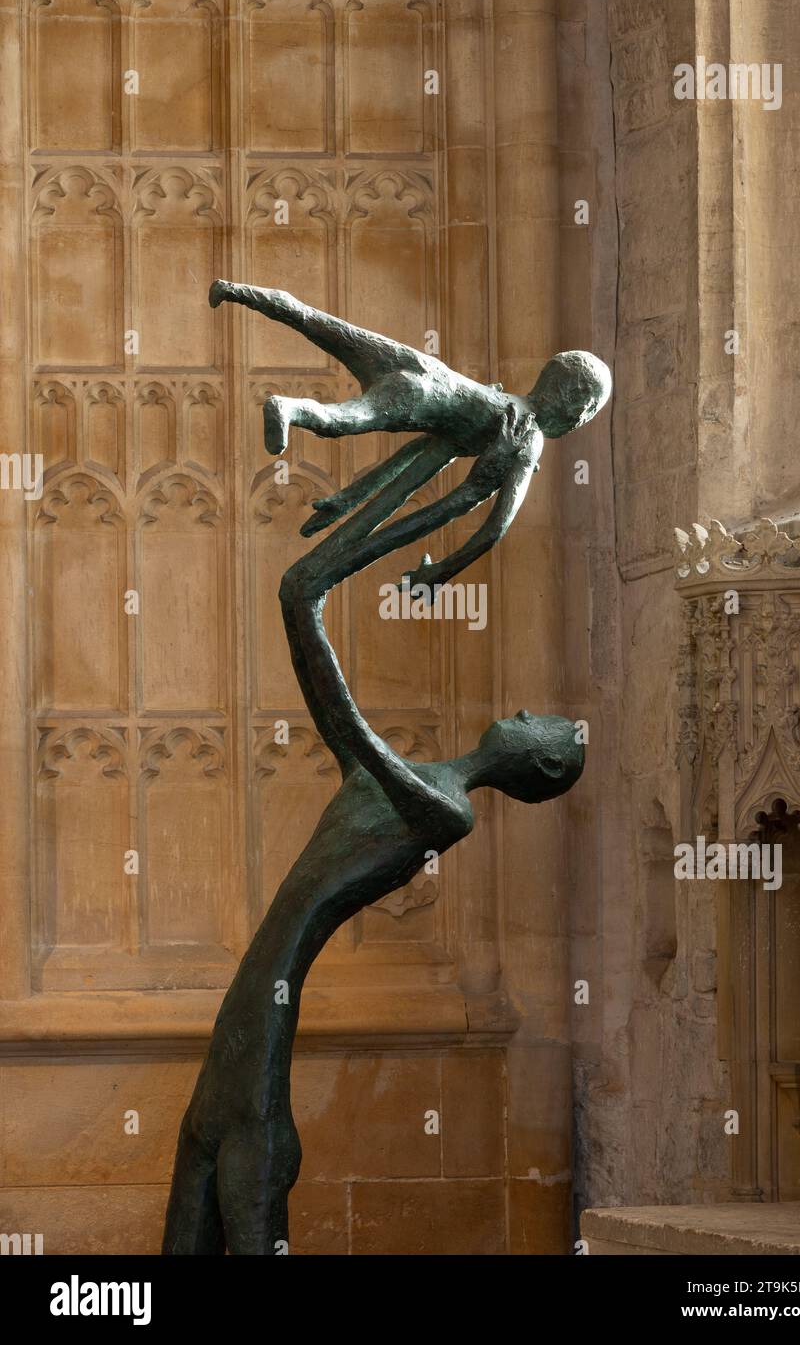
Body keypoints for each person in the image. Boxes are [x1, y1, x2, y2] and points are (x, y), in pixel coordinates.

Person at [162, 449, 586, 1255]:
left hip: (254, 1086)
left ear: (541, 766)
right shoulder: (405, 780)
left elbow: (333, 686)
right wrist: (416, 500)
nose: (527, 709)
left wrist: (416, 512)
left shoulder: (441, 808)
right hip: (234, 1060)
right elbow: (303, 618)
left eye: (544, 724)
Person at [209, 278, 611, 595]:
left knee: (320, 323)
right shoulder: (526, 435)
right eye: (590, 411)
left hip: (426, 368)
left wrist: (348, 497)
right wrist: (439, 572)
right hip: (420, 392)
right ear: (579, 408)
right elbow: (495, 528)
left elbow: (422, 451)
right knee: (342, 420)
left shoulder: (501, 400)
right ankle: (289, 408)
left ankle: (237, 291)